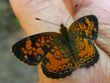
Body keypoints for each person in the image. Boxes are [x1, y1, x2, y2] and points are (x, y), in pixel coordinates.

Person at [9, 0, 110, 83]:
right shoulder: (76, 28)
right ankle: (85, 59)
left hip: (58, 58)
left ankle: (66, 67)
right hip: (83, 48)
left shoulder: (49, 38)